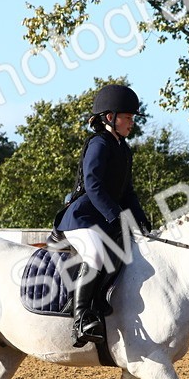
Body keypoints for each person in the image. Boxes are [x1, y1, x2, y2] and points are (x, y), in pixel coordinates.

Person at [55, 83, 153, 347]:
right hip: (83, 217)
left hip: (104, 217)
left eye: (132, 118)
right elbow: (94, 186)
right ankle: (81, 319)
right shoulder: (99, 143)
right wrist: (116, 216)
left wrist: (140, 219)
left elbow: (127, 191)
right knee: (96, 252)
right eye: (128, 118)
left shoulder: (123, 148)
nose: (132, 123)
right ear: (110, 117)